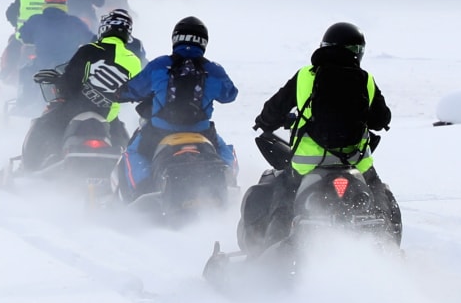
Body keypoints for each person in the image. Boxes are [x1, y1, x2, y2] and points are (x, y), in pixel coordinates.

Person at [246, 21, 399, 239]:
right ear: (359, 52)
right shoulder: (366, 80)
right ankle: (389, 242)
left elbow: (273, 109)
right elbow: (381, 119)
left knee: (283, 189)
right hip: (354, 162)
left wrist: (265, 121)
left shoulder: (305, 76)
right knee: (377, 189)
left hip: (308, 164)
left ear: (324, 45)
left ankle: (274, 242)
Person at [92, 15, 238, 201]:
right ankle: (228, 182)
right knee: (226, 151)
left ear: (175, 39)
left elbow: (133, 90)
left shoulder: (159, 65)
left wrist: (120, 94)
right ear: (203, 42)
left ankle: (141, 191)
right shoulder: (214, 69)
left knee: (133, 153)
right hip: (202, 132)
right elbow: (230, 95)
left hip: (159, 131)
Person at [20, 9, 146, 171]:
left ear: (104, 28)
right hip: (108, 117)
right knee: (124, 146)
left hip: (74, 111)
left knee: (42, 125)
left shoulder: (89, 50)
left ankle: (29, 168)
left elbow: (69, 83)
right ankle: (123, 177)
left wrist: (58, 82)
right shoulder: (134, 61)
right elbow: (134, 91)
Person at [14, 0, 93, 109]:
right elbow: (91, 39)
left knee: (25, 71)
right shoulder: (75, 22)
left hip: (42, 64)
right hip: (68, 68)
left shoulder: (36, 20)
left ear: (46, 1)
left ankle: (25, 101)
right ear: (65, 2)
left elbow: (25, 37)